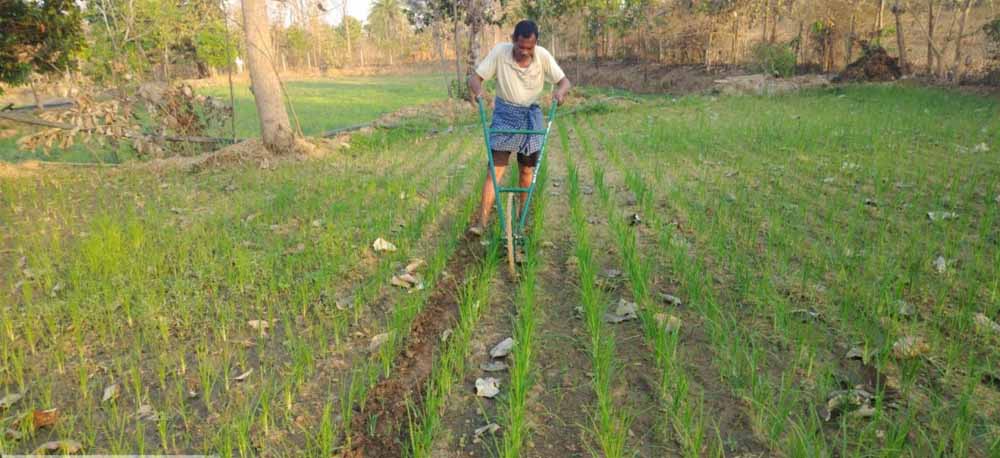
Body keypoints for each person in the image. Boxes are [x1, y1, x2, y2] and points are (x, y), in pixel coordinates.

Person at [466, 20, 571, 238]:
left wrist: (560, 94)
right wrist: (478, 93)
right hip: (504, 113)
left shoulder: (542, 56)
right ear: (513, 40)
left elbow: (564, 82)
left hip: (531, 115)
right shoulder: (500, 53)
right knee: (494, 171)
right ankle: (482, 221)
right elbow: (475, 78)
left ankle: (521, 221)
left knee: (526, 171)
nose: (524, 51)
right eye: (520, 46)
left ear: (535, 44)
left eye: (529, 48)